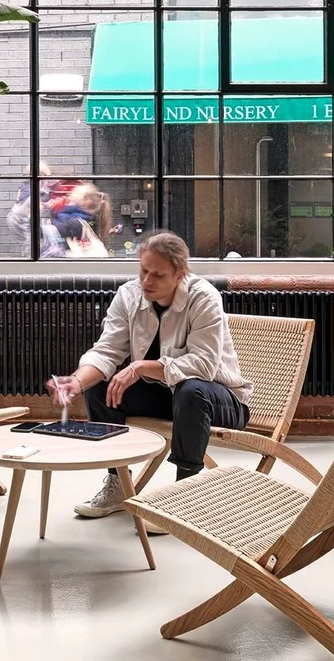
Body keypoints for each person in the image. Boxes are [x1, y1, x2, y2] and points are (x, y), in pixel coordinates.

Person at [45, 232, 252, 519]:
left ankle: (186, 492)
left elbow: (204, 366)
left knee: (191, 389)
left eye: (158, 275)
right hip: (168, 399)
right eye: (143, 270)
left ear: (179, 274)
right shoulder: (129, 296)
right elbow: (106, 352)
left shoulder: (203, 298)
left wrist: (140, 367)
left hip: (219, 401)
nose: (147, 281)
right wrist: (77, 381)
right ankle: (119, 482)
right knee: (100, 388)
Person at [47, 182, 113, 259]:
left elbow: (49, 230)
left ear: (85, 202)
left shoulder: (76, 223)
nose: (69, 195)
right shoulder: (79, 219)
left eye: (75, 193)